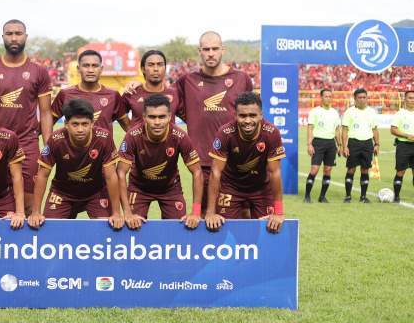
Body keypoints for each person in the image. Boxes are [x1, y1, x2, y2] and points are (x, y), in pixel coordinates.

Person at [126, 32, 252, 218]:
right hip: (203, 161)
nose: (211, 53)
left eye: (215, 49)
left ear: (222, 50)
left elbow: (251, 114)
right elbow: (161, 93)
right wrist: (140, 84)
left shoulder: (242, 78)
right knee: (201, 215)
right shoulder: (187, 80)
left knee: (244, 211)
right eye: (206, 49)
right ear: (200, 51)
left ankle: (244, 248)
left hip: (237, 160)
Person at [0, 20, 53, 216]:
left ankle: (22, 246)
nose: (14, 37)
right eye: (9, 34)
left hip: (27, 143)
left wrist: (48, 146)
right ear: (3, 37)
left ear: (25, 37)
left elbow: (45, 113)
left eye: (18, 33)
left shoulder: (39, 71)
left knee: (27, 205)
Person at [27, 99, 124, 229]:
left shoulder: (104, 138)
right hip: (61, 193)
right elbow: (43, 175)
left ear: (92, 123)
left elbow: (111, 176)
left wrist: (117, 213)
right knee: (49, 229)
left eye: (85, 124)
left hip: (96, 193)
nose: (80, 129)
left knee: (107, 228)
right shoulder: (56, 139)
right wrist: (35, 212)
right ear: (66, 124)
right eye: (75, 124)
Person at [117, 93, 203, 230]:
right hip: (139, 188)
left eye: (162, 117)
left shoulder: (180, 136)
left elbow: (197, 171)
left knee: (178, 230)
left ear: (170, 116)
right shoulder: (133, 136)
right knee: (133, 228)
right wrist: (127, 213)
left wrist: (196, 212)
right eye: (152, 117)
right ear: (144, 117)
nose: (157, 122)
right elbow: (120, 172)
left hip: (170, 189)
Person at [205, 92, 285, 234]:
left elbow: (275, 172)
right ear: (235, 115)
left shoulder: (272, 132)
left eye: (252, 115)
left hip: (261, 189)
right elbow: (216, 172)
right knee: (223, 230)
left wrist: (279, 211)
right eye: (243, 116)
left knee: (267, 231)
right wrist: (211, 212)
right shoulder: (225, 133)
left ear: (261, 115)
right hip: (231, 188)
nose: (248, 120)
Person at [51, 49, 131, 133]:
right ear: (78, 69)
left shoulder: (113, 95)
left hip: (104, 146)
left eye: (95, 66)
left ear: (101, 69)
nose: (90, 70)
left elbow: (128, 127)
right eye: (86, 65)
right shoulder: (65, 94)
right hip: (73, 146)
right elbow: (48, 122)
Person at [121, 50, 179, 127]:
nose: (156, 69)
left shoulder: (175, 94)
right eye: (151, 65)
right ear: (143, 69)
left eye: (160, 65)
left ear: (165, 68)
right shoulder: (132, 92)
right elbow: (119, 114)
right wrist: (131, 132)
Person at [341, 88, 379, 203]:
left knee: (365, 170)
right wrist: (344, 146)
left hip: (368, 143)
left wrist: (377, 144)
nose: (362, 100)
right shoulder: (349, 112)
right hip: (354, 143)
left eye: (364, 97)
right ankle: (348, 196)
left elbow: (375, 129)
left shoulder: (372, 112)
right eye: (359, 98)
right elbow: (345, 130)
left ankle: (363, 196)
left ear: (367, 98)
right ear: (355, 99)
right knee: (351, 169)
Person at [304, 89, 341, 203]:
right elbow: (310, 128)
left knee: (328, 170)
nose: (328, 98)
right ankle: (307, 196)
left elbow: (337, 130)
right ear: (321, 98)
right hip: (318, 143)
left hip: (331, 144)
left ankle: (322, 197)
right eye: (326, 96)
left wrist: (339, 144)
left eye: (330, 96)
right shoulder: (315, 112)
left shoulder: (334, 112)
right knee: (314, 170)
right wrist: (309, 144)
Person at [390, 90, 414, 203]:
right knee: (400, 171)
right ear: (404, 100)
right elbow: (393, 129)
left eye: (413, 98)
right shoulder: (399, 114)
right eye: (410, 98)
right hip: (403, 145)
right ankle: (397, 196)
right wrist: (406, 135)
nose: (412, 100)